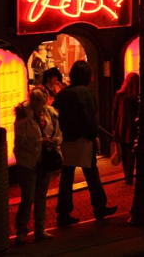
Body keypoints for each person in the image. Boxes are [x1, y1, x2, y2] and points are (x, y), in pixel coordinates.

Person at [53, 61, 116, 227]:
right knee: (92, 174)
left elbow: (55, 114)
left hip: (66, 140)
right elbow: (90, 117)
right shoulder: (85, 93)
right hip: (83, 139)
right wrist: (93, 135)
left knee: (67, 176)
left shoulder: (63, 94)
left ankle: (63, 213)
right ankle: (100, 207)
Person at [13, 88, 62, 244]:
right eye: (32, 98)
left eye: (38, 99)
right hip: (27, 161)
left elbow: (58, 133)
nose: (34, 102)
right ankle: (21, 229)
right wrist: (41, 142)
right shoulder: (23, 115)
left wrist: (55, 141)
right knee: (28, 197)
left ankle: (40, 229)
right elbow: (20, 140)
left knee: (41, 196)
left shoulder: (51, 115)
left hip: (45, 160)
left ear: (45, 100)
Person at [111, 72, 140, 185]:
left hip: (121, 127)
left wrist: (113, 128)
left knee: (123, 152)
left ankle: (126, 175)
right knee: (131, 153)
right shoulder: (137, 97)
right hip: (132, 127)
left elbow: (114, 112)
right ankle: (129, 176)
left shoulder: (119, 95)